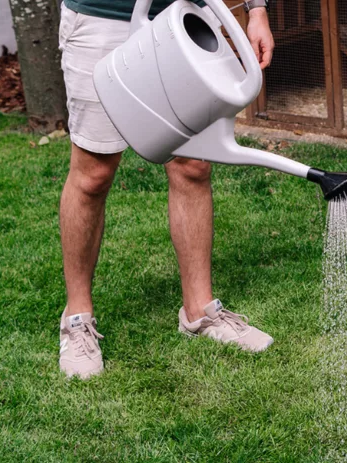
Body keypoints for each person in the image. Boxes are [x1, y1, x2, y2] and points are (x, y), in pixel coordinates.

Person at [57, 0, 275, 379]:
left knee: (193, 164)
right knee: (93, 174)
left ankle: (199, 311)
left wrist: (256, 10)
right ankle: (77, 319)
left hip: (183, 15)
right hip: (101, 17)